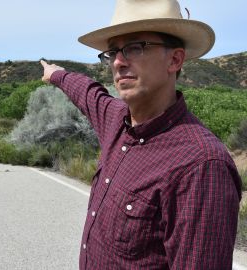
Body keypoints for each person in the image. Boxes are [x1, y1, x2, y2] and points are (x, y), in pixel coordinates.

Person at [40, 0, 242, 269]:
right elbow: (88, 93)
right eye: (113, 52)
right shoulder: (115, 120)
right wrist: (57, 75)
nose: (119, 62)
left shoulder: (200, 166)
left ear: (175, 59)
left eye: (135, 47)